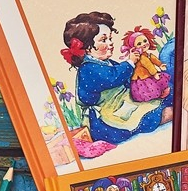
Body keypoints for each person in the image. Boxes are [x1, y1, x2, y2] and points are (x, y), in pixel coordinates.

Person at [61, 11, 172, 146]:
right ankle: (164, 114)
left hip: (121, 101)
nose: (110, 43)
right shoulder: (88, 69)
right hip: (106, 115)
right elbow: (114, 77)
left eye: (110, 38)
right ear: (87, 47)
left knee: (157, 97)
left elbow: (124, 76)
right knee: (146, 117)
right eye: (104, 40)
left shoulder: (105, 63)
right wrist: (130, 63)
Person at [120, 26, 171, 103]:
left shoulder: (147, 54)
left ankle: (161, 93)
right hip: (141, 79)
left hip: (148, 76)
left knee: (158, 80)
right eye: (139, 43)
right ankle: (158, 95)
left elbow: (153, 59)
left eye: (145, 41)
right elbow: (149, 65)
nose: (143, 44)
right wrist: (154, 73)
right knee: (151, 88)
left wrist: (160, 64)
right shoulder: (142, 57)